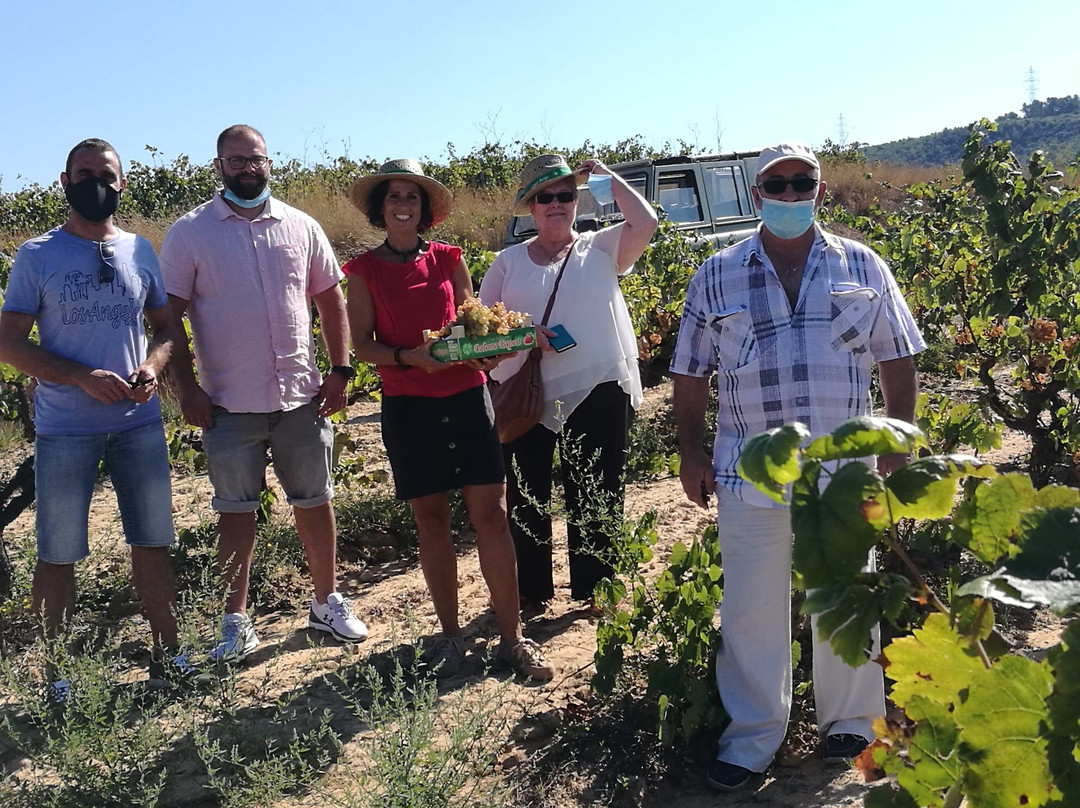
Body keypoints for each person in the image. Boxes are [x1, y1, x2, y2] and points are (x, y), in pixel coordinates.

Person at [670, 142, 925, 791]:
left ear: (818, 189)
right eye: (776, 185)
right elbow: (691, 373)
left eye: (801, 182)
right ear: (756, 196)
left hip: (842, 471)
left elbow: (897, 354)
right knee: (752, 609)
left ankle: (853, 723)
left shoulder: (863, 264)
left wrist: (898, 431)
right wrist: (692, 451)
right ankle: (754, 737)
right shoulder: (716, 274)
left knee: (843, 595)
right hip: (749, 472)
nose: (789, 194)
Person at [159, 124, 368, 663]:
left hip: (301, 397)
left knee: (315, 502)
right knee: (235, 512)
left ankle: (326, 603)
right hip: (227, 404)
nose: (247, 169)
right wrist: (188, 390)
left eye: (255, 160)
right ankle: (236, 622)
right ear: (218, 167)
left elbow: (330, 300)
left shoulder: (301, 226)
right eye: (235, 161)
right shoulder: (191, 233)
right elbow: (168, 319)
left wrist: (341, 370)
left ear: (269, 163)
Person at [0, 138, 200, 699]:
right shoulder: (37, 255)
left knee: (154, 540)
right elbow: (10, 343)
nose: (96, 183)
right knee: (57, 551)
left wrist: (153, 366)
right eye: (84, 173)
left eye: (105, 174)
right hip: (64, 428)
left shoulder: (141, 250)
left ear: (122, 183)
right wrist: (79, 377)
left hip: (137, 425)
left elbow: (165, 328)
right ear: (64, 182)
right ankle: (57, 676)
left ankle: (169, 653)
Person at [343, 159, 553, 681]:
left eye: (412, 198)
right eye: (393, 198)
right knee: (431, 521)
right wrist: (407, 358)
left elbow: (474, 322)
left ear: (425, 209)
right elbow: (363, 346)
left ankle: (512, 639)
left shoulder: (448, 259)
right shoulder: (364, 272)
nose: (403, 206)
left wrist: (483, 354)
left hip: (465, 398)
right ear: (380, 208)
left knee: (491, 514)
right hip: (409, 406)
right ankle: (453, 640)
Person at [478, 154, 657, 611]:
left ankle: (598, 589)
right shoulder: (507, 262)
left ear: (577, 202)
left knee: (598, 486)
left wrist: (606, 176)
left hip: (596, 386)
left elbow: (647, 220)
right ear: (531, 208)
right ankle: (531, 592)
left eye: (565, 195)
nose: (556, 204)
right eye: (545, 197)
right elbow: (482, 330)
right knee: (525, 490)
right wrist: (525, 335)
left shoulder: (601, 248)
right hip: (525, 392)